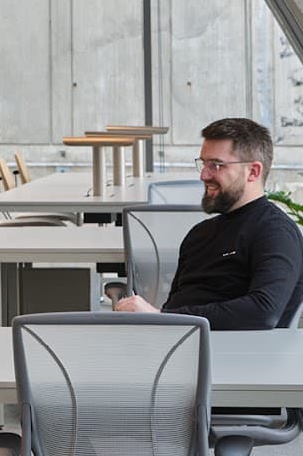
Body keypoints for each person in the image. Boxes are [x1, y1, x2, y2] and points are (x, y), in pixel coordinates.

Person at [115, 117, 303, 329]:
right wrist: (160, 320)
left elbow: (263, 311)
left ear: (253, 172)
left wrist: (161, 317)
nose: (204, 175)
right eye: (203, 163)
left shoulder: (275, 232)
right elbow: (177, 304)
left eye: (216, 165)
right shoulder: (199, 234)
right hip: (178, 345)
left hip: (233, 355)